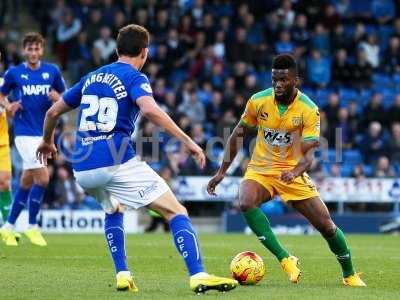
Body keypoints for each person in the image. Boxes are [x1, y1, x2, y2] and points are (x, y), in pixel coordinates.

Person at [36, 24, 237, 294]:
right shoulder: (134, 77)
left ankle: (122, 275)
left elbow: (52, 113)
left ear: (118, 49)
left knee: (113, 208)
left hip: (82, 167)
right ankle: (198, 274)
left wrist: (48, 141)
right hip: (114, 159)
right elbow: (150, 110)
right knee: (176, 211)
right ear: (145, 52)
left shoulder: (91, 77)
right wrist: (188, 141)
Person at [207, 54, 366, 287]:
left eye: (283, 80)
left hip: (293, 172)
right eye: (274, 80)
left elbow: (309, 155)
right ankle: (285, 258)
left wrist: (295, 172)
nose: (278, 84)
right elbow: (238, 135)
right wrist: (222, 171)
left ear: (296, 80)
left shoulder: (309, 109)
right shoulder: (258, 101)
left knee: (326, 226)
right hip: (261, 169)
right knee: (245, 201)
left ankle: (349, 274)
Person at [0, 32, 66, 246]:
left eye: (37, 48)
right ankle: (31, 226)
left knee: (27, 181)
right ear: (24, 50)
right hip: (24, 133)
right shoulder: (14, 73)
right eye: (30, 48)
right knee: (43, 178)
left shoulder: (52, 71)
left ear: (42, 50)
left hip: (43, 133)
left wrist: (58, 98)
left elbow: (65, 97)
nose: (33, 52)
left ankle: (8, 227)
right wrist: (8, 106)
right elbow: (2, 95)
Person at [0, 51, 12, 228]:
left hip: (2, 143)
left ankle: (6, 226)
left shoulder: (3, 83)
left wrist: (8, 106)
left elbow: (9, 109)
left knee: (4, 182)